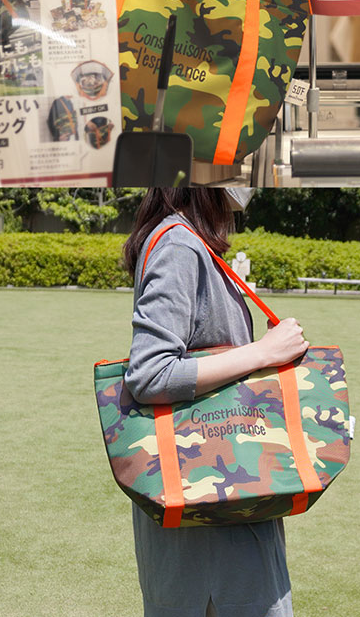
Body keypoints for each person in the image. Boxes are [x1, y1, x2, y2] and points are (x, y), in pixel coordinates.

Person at [123, 187, 308, 617]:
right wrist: (262, 353)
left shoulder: (189, 241)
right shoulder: (178, 245)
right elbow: (151, 372)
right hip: (209, 521)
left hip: (216, 502)